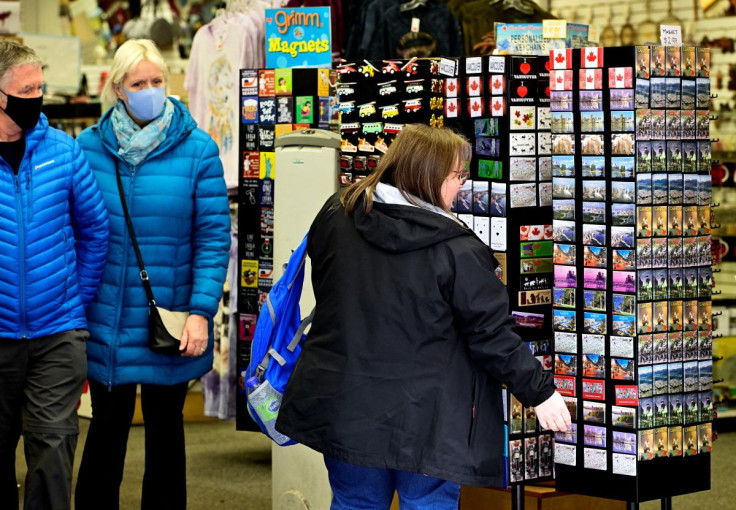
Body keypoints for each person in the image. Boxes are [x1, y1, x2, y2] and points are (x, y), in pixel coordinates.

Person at [276, 124, 570, 509]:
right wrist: (540, 392)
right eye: (457, 176)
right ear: (427, 175)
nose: (462, 186)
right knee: (426, 503)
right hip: (429, 417)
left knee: (355, 502)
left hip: (346, 402)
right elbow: (491, 336)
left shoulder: (337, 214)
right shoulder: (457, 249)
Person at [73, 39, 230, 510]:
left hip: (172, 319)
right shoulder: (87, 148)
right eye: (138, 83)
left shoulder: (197, 149)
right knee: (105, 434)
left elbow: (213, 238)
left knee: (165, 438)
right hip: (105, 320)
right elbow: (72, 235)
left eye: (157, 82)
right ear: (118, 89)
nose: (149, 91)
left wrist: (202, 311)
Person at [0, 41, 109, 509]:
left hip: (59, 335)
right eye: (27, 89)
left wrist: (74, 303)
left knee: (52, 454)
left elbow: (96, 231)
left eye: (41, 86)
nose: (38, 96)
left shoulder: (63, 151)